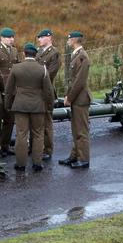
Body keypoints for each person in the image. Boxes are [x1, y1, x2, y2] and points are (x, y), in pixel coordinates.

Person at [5, 43, 54, 171]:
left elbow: (9, 89)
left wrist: (8, 105)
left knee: (21, 134)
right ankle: (37, 163)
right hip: (38, 105)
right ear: (36, 54)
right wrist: (50, 106)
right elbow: (48, 91)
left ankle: (21, 164)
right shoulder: (42, 69)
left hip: (20, 105)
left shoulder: (16, 68)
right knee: (38, 134)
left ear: (24, 54)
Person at [59, 31, 92, 169]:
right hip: (76, 98)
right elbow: (72, 81)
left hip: (81, 99)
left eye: (69, 39)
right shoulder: (76, 55)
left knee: (81, 130)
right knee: (75, 129)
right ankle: (74, 156)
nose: (67, 41)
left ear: (74, 40)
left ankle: (83, 159)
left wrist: (70, 98)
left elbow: (79, 81)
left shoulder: (82, 56)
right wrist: (68, 95)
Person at [35, 29, 61, 160]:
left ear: (49, 37)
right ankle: (36, 147)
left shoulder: (54, 53)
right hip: (36, 91)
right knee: (36, 121)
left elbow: (50, 74)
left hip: (46, 92)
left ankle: (48, 149)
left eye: (41, 37)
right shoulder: (39, 52)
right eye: (38, 38)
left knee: (46, 122)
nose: (39, 39)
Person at [0, 27, 20, 156]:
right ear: (2, 38)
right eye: (8, 37)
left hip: (13, 89)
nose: (11, 39)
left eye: (12, 37)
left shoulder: (15, 50)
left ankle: (5, 145)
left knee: (10, 119)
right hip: (0, 89)